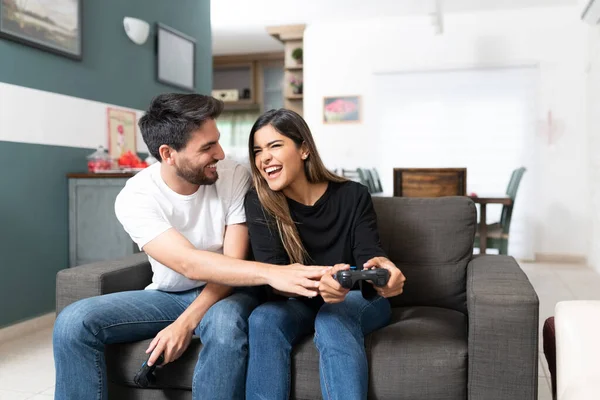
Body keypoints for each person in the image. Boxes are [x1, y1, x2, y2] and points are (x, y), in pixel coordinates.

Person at [52, 94, 330, 400]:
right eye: (207, 147)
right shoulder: (136, 197)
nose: (221, 153)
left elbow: (231, 261)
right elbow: (187, 263)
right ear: (168, 154)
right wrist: (273, 274)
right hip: (169, 295)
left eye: (218, 141)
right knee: (73, 322)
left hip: (232, 289)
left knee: (224, 327)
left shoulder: (234, 176)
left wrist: (187, 322)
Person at [244, 109, 406, 400]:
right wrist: (321, 283)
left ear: (304, 149)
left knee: (333, 317)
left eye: (275, 146)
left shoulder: (353, 195)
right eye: (257, 151)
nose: (263, 158)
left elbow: (370, 255)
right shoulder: (260, 202)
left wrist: (384, 268)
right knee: (263, 319)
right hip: (296, 303)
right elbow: (273, 273)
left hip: (356, 300)